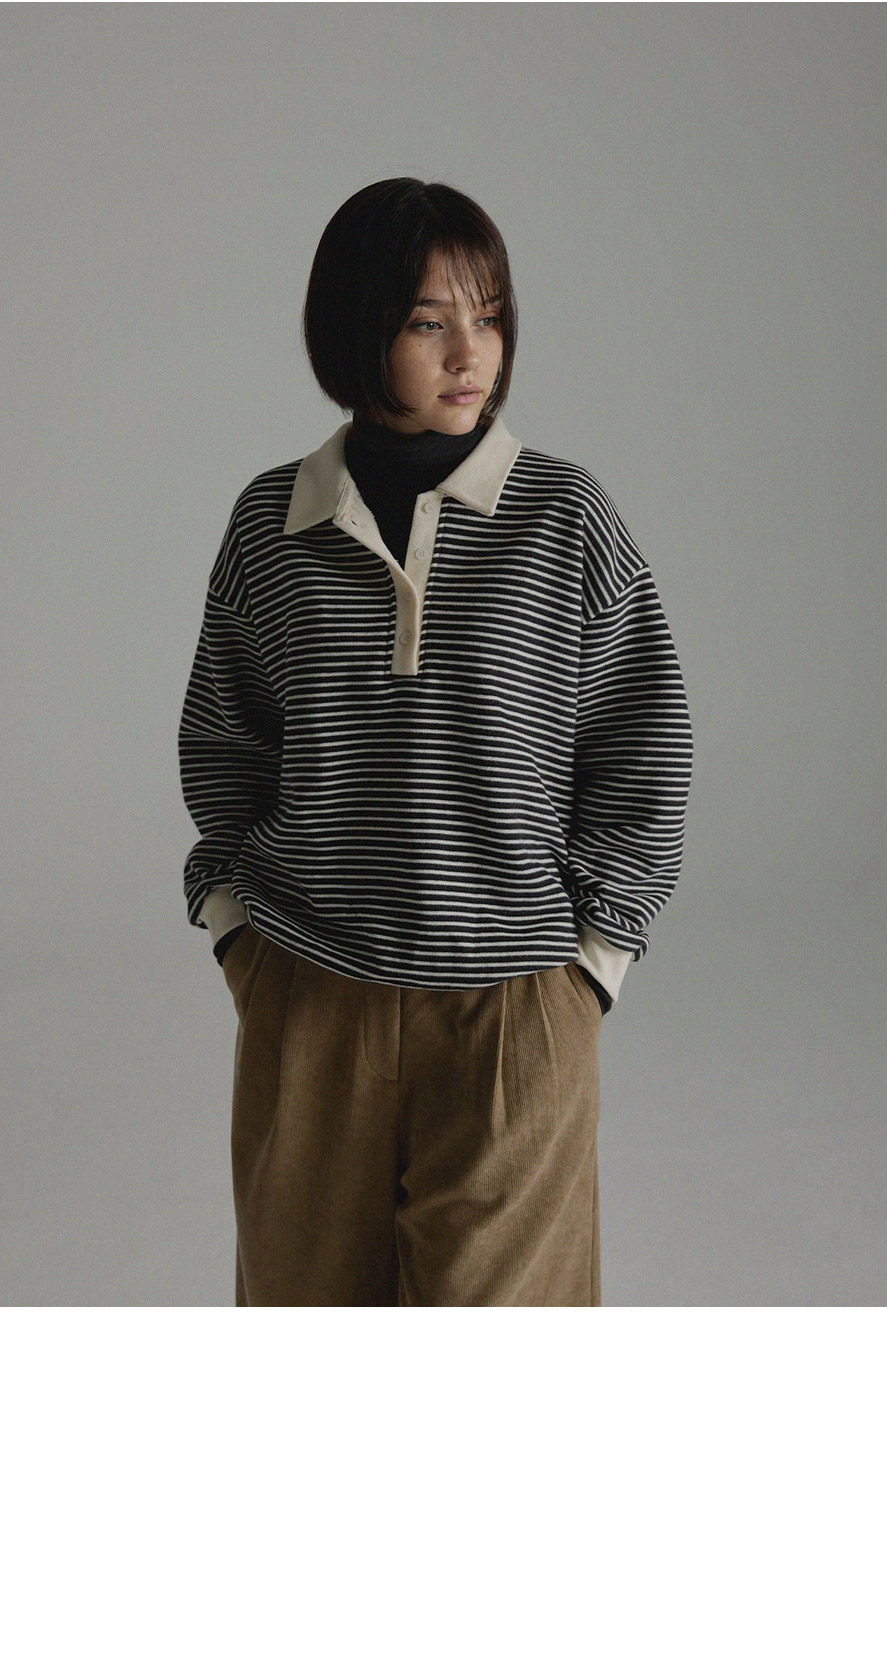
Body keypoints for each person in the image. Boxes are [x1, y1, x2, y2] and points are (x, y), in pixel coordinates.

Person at [177, 177, 693, 1307]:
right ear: (355, 331)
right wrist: (237, 935)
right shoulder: (271, 522)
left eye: (490, 315)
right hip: (309, 997)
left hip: (515, 1011)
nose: (473, 353)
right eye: (428, 321)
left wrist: (592, 966)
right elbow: (226, 741)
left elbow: (643, 743)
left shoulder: (567, 518)